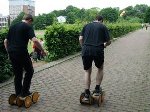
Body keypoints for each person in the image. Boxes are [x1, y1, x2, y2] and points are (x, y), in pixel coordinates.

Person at [4, 14, 46, 98]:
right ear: (30, 20)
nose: (31, 24)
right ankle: (24, 92)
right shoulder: (27, 27)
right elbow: (35, 40)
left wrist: (8, 52)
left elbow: (5, 41)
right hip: (21, 52)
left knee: (17, 74)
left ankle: (18, 93)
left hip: (12, 52)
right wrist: (42, 50)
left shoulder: (13, 26)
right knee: (30, 71)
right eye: (31, 23)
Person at [79, 15, 111, 101]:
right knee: (100, 68)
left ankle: (86, 93)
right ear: (101, 20)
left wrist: (83, 47)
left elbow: (80, 38)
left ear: (95, 19)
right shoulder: (103, 26)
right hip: (98, 49)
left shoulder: (86, 25)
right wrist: (105, 45)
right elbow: (108, 41)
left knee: (87, 71)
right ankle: (97, 90)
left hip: (86, 49)